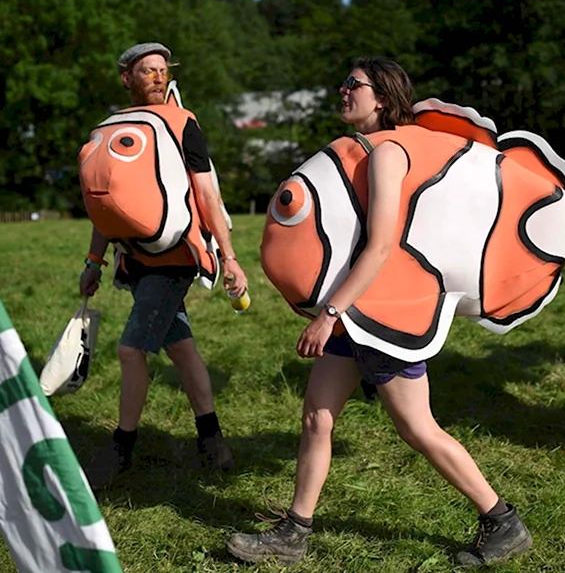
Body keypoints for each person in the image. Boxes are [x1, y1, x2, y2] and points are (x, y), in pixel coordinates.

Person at [225, 57, 532, 568]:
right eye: (343, 82)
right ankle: (293, 534)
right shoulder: (363, 152)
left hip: (382, 314)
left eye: (354, 85)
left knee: (418, 429)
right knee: (317, 419)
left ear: (383, 99)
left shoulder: (388, 153)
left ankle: (502, 521)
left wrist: (329, 313)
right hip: (355, 310)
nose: (343, 90)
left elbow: (381, 246)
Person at [79, 42, 248, 489]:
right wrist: (94, 260)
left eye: (162, 70)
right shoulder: (113, 128)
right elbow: (106, 206)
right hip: (134, 260)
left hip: (175, 259)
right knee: (181, 346)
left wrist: (229, 257)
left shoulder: (183, 122)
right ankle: (212, 439)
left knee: (131, 349)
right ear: (126, 78)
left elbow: (207, 194)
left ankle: (122, 448)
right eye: (146, 70)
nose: (157, 75)